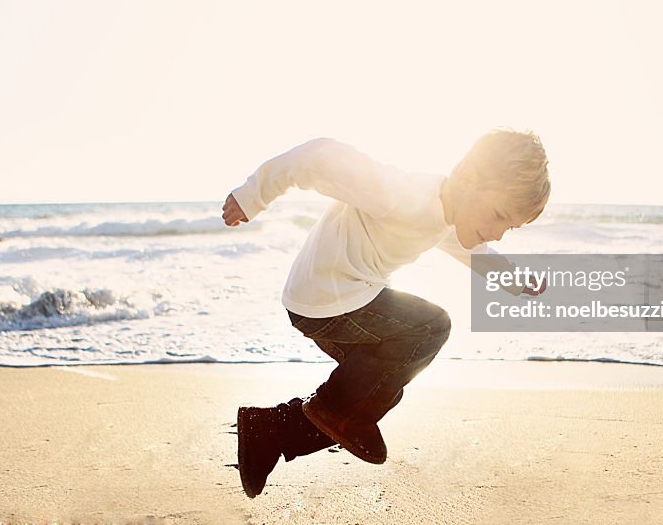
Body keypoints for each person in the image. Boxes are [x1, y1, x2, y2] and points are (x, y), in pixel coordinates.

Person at [221, 130, 551, 498]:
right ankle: (294, 423)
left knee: (380, 391)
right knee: (430, 328)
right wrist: (253, 195)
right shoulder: (402, 194)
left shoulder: (443, 215)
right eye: (499, 215)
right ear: (469, 178)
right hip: (329, 299)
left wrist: (512, 278)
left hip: (332, 302)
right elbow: (319, 156)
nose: (500, 233)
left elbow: (466, 249)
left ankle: (271, 432)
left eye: (510, 226)